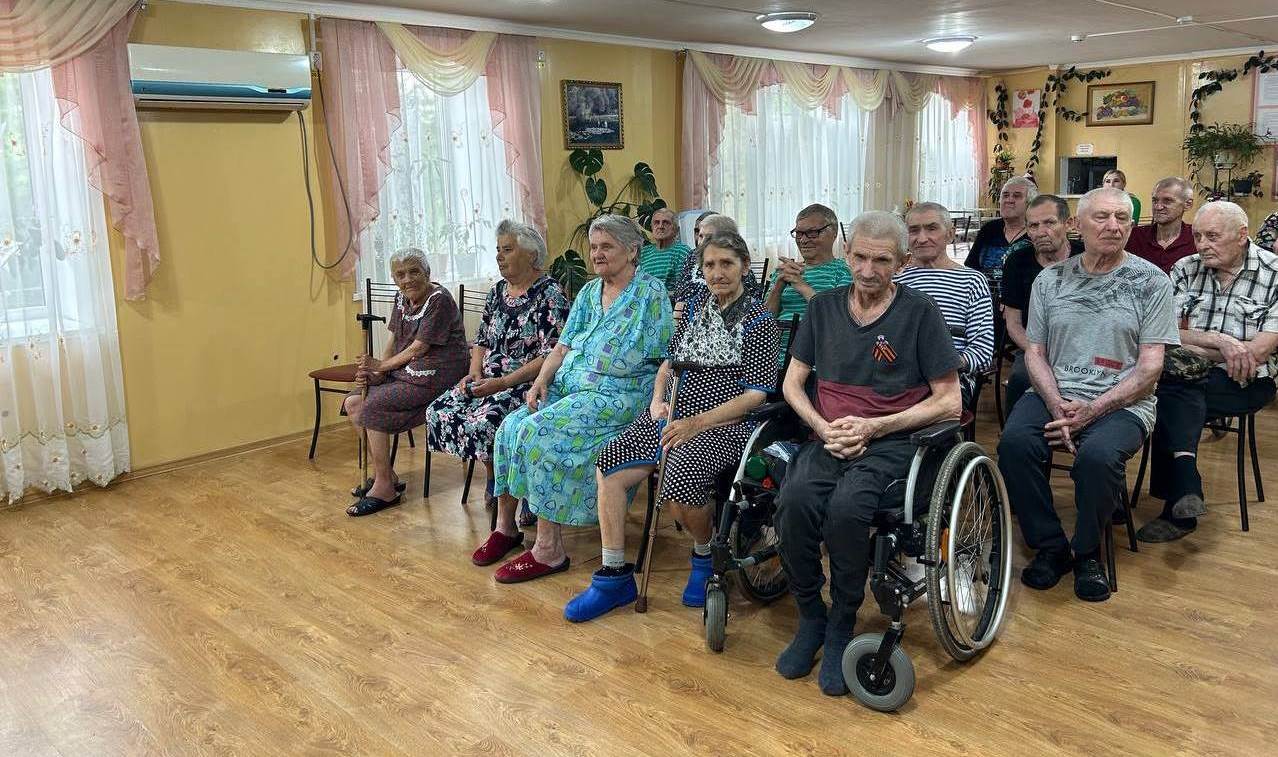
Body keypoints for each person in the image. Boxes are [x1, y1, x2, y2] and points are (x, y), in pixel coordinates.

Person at [774, 211, 962, 696]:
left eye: (881, 261)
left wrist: (875, 426)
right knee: (793, 501)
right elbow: (793, 383)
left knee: (847, 508)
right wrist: (821, 427)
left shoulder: (920, 313)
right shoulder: (823, 308)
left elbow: (950, 401)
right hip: (829, 434)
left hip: (894, 441)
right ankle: (811, 616)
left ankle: (842, 619)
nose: (868, 270)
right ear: (846, 253)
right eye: (859, 257)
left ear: (901, 262)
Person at [564, 232, 779, 622]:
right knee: (610, 463)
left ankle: (703, 554)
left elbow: (756, 395)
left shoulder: (760, 322)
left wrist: (696, 423)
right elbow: (668, 364)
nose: (717, 273)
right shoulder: (695, 307)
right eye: (709, 265)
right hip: (674, 412)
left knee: (680, 478)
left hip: (726, 422)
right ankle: (614, 576)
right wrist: (657, 400)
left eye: (726, 264)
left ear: (745, 267)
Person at [997, 187, 1178, 603]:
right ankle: (1050, 546)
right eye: (1102, 217)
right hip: (1055, 393)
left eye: (1122, 218)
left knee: (1097, 458)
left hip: (1124, 400)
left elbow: (1151, 367)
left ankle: (1087, 552)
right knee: (1014, 445)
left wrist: (1093, 409)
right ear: (1078, 225)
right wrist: (1056, 402)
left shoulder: (1152, 281)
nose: (1113, 226)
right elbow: (1035, 352)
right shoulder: (1050, 280)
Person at [471, 215, 674, 582]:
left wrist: (658, 399)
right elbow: (562, 347)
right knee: (510, 426)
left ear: (632, 251)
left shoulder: (651, 293)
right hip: (571, 388)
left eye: (606, 246)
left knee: (539, 433)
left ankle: (549, 549)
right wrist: (540, 382)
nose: (597, 254)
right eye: (594, 247)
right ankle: (506, 528)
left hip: (618, 394)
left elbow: (666, 358)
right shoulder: (588, 292)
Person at [1137, 201, 1278, 543]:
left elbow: (1258, 350)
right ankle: (1184, 494)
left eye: (1212, 236)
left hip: (1246, 381)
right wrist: (1221, 341)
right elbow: (1162, 333)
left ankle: (1179, 497)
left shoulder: (1274, 274)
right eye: (1198, 236)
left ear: (1242, 235)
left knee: (1168, 392)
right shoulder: (1185, 268)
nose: (1202, 244)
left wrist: (1198, 345)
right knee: (1176, 386)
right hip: (1185, 374)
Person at [426, 221, 571, 513]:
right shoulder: (497, 292)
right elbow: (481, 339)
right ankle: (494, 476)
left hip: (528, 382)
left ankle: (524, 489)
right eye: (498, 249)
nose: (499, 256)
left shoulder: (550, 294)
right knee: (437, 410)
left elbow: (553, 354)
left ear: (531, 255)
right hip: (488, 378)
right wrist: (474, 371)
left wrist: (503, 383)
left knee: (487, 420)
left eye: (507, 249)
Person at [343, 248, 470, 516]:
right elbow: (393, 339)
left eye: (414, 272)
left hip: (437, 374)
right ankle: (385, 474)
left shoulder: (439, 300)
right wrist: (379, 371)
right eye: (400, 275)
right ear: (394, 279)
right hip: (405, 371)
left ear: (427, 272)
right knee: (353, 402)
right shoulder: (401, 298)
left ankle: (385, 489)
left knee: (372, 405)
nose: (407, 279)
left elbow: (419, 348)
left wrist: (381, 366)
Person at [897, 201, 993, 409]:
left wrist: (943, 363)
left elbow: (982, 351)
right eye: (914, 230)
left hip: (949, 380)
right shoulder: (894, 279)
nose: (922, 238)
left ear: (950, 234)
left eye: (931, 228)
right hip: (894, 376)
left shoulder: (972, 281)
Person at [1000, 194, 1084, 413]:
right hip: (1034, 345)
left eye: (1049, 223)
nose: (1040, 232)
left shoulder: (1086, 256)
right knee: (1020, 378)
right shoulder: (1017, 262)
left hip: (1083, 348)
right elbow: (1013, 323)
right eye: (1033, 226)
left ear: (1068, 223)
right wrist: (1037, 352)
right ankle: (1020, 430)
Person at [763, 204, 853, 324]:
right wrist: (778, 287)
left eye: (812, 232)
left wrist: (801, 285)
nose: (803, 240)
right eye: (799, 233)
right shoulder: (786, 271)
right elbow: (763, 323)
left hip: (815, 336)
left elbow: (838, 320)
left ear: (834, 233)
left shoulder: (844, 272)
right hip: (777, 336)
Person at [964, 176, 1037, 299]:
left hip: (1022, 305)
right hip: (984, 302)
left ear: (1029, 204)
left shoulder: (1035, 233)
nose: (1009, 200)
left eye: (1017, 196)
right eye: (1005, 195)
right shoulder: (989, 229)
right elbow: (971, 268)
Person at [672, 213, 761, 300]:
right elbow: (680, 288)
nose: (702, 242)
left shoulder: (741, 271)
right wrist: (681, 303)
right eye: (700, 236)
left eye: (709, 237)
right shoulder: (692, 256)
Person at [1126, 177, 1196, 274]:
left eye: (1167, 201)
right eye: (1155, 200)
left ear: (1188, 204)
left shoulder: (1197, 239)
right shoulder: (1133, 237)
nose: (1158, 207)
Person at [638, 207, 692, 291]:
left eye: (666, 222)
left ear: (676, 230)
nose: (660, 226)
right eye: (656, 222)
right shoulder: (644, 252)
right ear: (652, 228)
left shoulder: (682, 251)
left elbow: (683, 289)